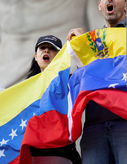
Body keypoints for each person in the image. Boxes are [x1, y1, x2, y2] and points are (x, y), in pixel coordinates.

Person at [67, 0, 127, 164]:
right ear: (100, 6)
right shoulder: (90, 41)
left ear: (126, 6)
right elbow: (84, 80)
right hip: (94, 127)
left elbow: (123, 60)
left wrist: (86, 45)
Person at [26, 35, 81, 164]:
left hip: (62, 154)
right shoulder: (25, 88)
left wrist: (79, 46)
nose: (46, 51)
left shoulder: (69, 81)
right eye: (43, 48)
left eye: (52, 49)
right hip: (34, 155)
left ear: (59, 56)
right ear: (36, 56)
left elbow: (85, 74)